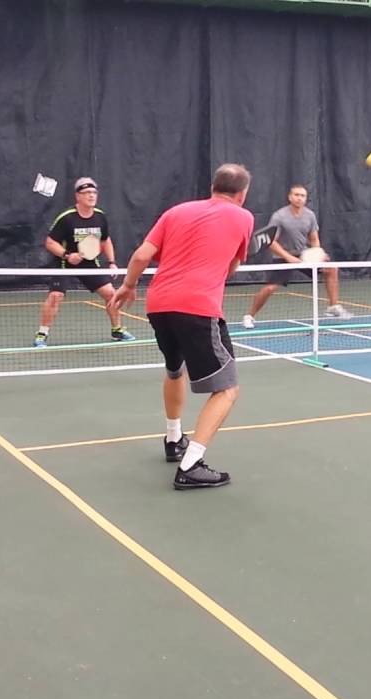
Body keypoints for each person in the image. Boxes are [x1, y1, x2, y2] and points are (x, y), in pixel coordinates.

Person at [110, 164, 254, 490]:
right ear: (242, 194)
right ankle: (191, 465)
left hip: (159, 306)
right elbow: (231, 268)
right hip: (198, 309)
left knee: (175, 370)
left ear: (213, 185)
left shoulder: (176, 212)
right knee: (228, 389)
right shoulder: (243, 218)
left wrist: (129, 286)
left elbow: (141, 255)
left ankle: (174, 439)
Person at [34, 177, 134, 347]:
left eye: (94, 192)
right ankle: (42, 334)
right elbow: (50, 243)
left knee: (111, 294)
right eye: (86, 192)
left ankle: (117, 329)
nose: (91, 196)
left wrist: (111, 262)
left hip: (88, 262)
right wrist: (67, 255)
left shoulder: (100, 217)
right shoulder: (67, 218)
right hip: (65, 262)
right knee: (56, 296)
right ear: (77, 196)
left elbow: (105, 240)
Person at [241, 184, 353, 329]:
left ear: (306, 199)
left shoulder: (310, 215)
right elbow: (271, 241)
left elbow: (314, 239)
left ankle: (333, 306)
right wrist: (288, 257)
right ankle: (249, 316)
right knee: (270, 289)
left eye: (302, 196)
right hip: (282, 256)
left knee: (331, 268)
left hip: (303, 255)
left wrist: (318, 253)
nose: (299, 198)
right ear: (290, 197)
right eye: (296, 195)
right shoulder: (279, 216)